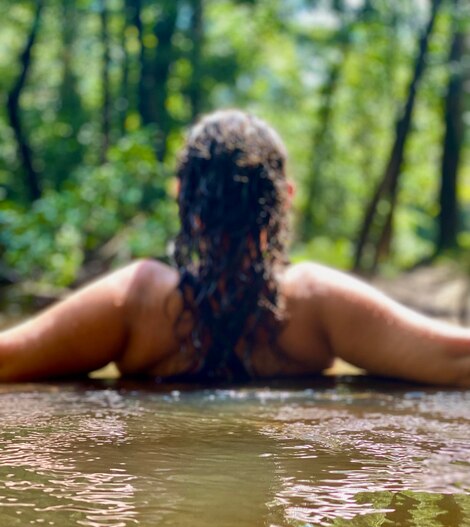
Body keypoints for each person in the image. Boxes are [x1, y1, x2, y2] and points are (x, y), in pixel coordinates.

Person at [0, 109, 469, 386]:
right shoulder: (313, 302)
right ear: (285, 199)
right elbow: (457, 359)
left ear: (180, 195)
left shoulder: (138, 300)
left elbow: (9, 359)